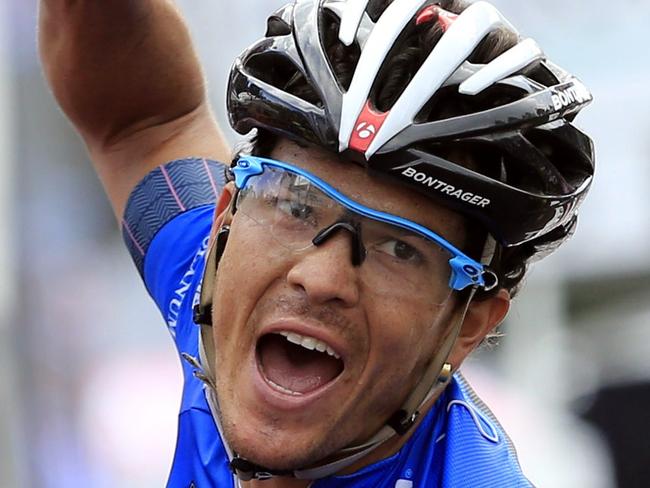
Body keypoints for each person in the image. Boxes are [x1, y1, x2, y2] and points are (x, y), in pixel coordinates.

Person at [39, 0, 595, 486]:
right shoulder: (212, 296)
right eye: (296, 204)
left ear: (468, 323)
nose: (321, 278)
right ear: (224, 220)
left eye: (401, 249)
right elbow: (144, 122)